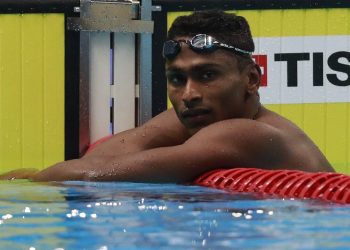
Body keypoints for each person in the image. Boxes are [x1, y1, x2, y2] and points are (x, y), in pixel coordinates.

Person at [0, 10, 334, 182]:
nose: (188, 95)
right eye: (177, 79)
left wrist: (27, 181)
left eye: (207, 75)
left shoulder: (247, 133)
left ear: (250, 79)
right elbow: (98, 161)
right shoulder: (197, 118)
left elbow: (94, 176)